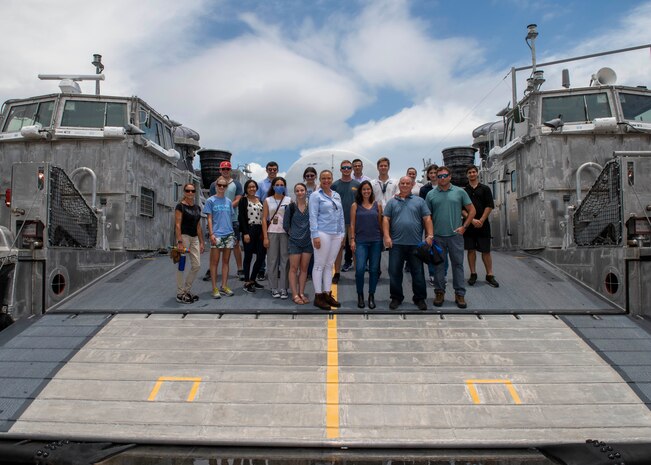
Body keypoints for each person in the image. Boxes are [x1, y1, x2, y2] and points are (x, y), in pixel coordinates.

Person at [426, 166, 476, 309]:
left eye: (444, 175)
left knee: (458, 266)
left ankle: (459, 294)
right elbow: (427, 216)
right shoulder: (431, 194)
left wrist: (464, 227)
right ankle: (439, 292)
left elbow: (472, 211)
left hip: (455, 236)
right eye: (439, 176)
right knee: (439, 266)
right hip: (438, 237)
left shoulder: (460, 192)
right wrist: (429, 234)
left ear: (450, 176)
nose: (441, 178)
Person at [383, 176, 434, 311]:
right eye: (402, 183)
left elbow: (427, 218)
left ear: (412, 185)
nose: (405, 185)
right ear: (399, 185)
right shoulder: (391, 202)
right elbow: (386, 219)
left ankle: (420, 298)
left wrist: (430, 235)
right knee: (394, 272)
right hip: (396, 244)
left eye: (407, 183)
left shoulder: (420, 201)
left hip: (415, 244)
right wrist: (387, 236)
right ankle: (396, 298)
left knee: (417, 272)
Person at [309, 170, 345, 310]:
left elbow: (341, 215)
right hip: (322, 233)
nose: (326, 180)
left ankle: (327, 293)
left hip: (336, 234)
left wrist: (342, 233)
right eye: (323, 178)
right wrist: (315, 235)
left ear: (332, 179)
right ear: (320, 179)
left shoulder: (336, 195)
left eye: (328, 178)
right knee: (319, 265)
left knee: (330, 265)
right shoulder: (315, 195)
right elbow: (312, 216)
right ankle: (318, 296)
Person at [464, 165, 499, 288]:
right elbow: (461, 209)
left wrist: (481, 220)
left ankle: (489, 274)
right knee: (471, 250)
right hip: (469, 225)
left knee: (486, 251)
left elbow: (489, 205)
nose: (472, 174)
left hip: (483, 225)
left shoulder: (485, 189)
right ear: (467, 175)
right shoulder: (464, 191)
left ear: (477, 173)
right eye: (469, 172)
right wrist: (471, 220)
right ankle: (473, 273)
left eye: (474, 172)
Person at [350, 180, 382, 309]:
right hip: (361, 241)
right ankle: (360, 295)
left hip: (376, 241)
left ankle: (371, 295)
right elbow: (352, 224)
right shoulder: (355, 206)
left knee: (374, 270)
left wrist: (384, 238)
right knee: (360, 270)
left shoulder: (377, 205)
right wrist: (352, 239)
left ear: (371, 191)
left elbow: (380, 223)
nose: (366, 191)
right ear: (360, 191)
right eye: (364, 189)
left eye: (368, 189)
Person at [210, 161, 244, 280]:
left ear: (230, 170)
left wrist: (227, 209)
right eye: (223, 169)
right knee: (216, 245)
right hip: (218, 221)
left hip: (233, 219)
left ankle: (240, 269)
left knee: (235, 244)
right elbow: (212, 200)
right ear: (220, 170)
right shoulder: (214, 184)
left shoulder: (237, 184)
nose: (225, 171)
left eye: (227, 169)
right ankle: (212, 269)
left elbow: (238, 198)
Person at [203, 176, 236, 299]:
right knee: (214, 262)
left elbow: (230, 218)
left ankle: (224, 286)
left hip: (228, 234)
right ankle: (214, 288)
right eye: (220, 185)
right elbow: (209, 218)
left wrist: (232, 234)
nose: (222, 187)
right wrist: (211, 233)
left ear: (226, 187)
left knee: (226, 262)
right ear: (216, 186)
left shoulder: (228, 201)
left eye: (224, 185)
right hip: (216, 235)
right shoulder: (210, 201)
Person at [174, 183, 205, 303]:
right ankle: (180, 293)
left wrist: (202, 242)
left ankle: (186, 289)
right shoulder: (180, 207)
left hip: (194, 239)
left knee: (196, 265)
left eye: (192, 191)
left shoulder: (197, 207)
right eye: (188, 191)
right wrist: (180, 241)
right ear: (184, 192)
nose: (190, 193)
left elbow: (198, 226)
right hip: (184, 237)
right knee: (181, 265)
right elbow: (177, 225)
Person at [262, 177, 291, 299]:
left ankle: (284, 287)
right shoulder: (268, 200)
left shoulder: (289, 200)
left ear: (285, 186)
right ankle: (274, 288)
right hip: (272, 232)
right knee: (272, 261)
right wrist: (265, 237)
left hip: (285, 233)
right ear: (273, 186)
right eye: (277, 184)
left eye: (282, 184)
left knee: (285, 261)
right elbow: (264, 219)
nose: (279, 186)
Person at [284, 183, 313, 304]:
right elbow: (286, 226)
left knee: (304, 269)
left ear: (306, 191)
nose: (300, 192)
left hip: (307, 242)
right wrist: (294, 236)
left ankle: (301, 292)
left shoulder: (311, 207)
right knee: (293, 269)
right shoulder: (290, 207)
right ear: (294, 192)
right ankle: (294, 294)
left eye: (302, 190)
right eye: (297, 190)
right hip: (294, 243)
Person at [332, 160, 360, 281]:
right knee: (339, 248)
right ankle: (337, 273)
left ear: (352, 169)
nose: (347, 169)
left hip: (354, 221)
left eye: (349, 167)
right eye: (344, 168)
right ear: (340, 169)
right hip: (339, 222)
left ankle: (357, 272)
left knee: (354, 248)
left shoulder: (357, 185)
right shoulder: (335, 185)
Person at [238, 179, 266, 294]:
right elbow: (242, 217)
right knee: (248, 256)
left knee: (261, 256)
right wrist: (245, 233)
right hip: (249, 229)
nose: (252, 189)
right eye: (249, 187)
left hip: (260, 230)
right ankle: (247, 282)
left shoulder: (260, 200)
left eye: (254, 186)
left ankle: (253, 279)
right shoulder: (243, 200)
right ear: (246, 189)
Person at [419, 164, 440, 286]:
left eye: (435, 172)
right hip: (429, 221)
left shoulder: (444, 187)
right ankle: (432, 274)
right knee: (431, 248)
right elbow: (423, 207)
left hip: (441, 221)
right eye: (431, 173)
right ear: (428, 175)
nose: (433, 175)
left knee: (442, 250)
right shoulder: (424, 189)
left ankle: (442, 274)